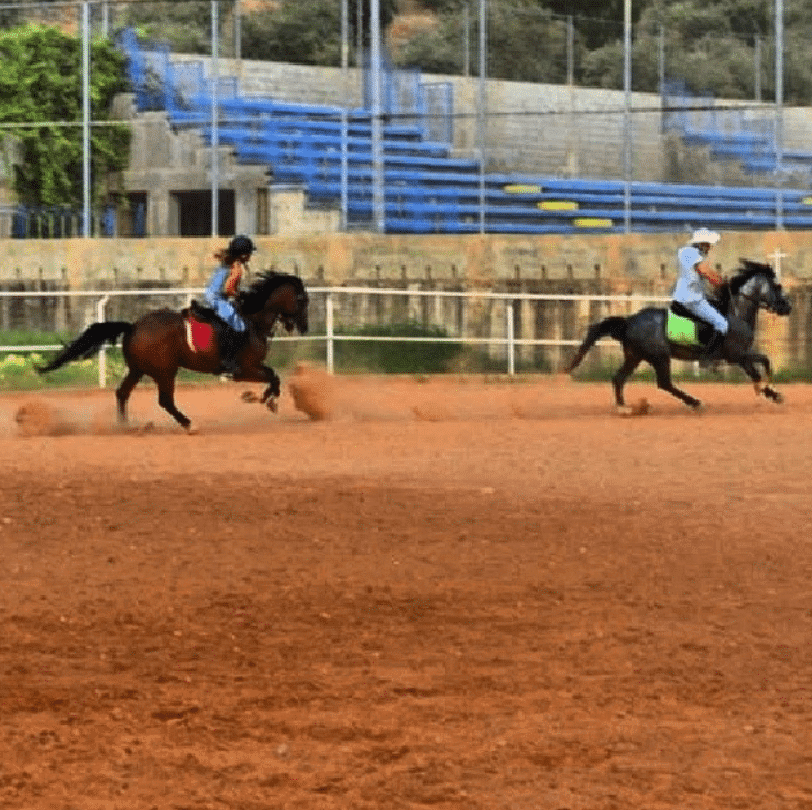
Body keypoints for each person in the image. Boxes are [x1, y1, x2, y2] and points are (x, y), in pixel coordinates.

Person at [671, 227, 728, 367]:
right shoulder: (691, 253)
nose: (710, 247)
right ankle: (707, 358)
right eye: (708, 244)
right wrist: (722, 283)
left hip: (690, 296)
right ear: (702, 243)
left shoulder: (687, 252)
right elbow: (705, 271)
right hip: (692, 300)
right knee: (722, 324)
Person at [203, 234, 256, 377]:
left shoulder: (227, 261)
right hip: (217, 298)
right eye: (249, 253)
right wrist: (241, 295)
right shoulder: (237, 268)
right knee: (240, 326)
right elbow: (229, 289)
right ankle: (228, 362)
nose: (250, 256)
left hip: (211, 295)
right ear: (243, 255)